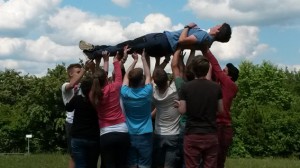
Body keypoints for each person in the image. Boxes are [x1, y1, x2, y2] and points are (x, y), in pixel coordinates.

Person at [79, 22, 231, 59]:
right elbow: (190, 48)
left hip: (162, 41)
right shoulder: (207, 43)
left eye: (219, 25)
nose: (216, 24)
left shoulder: (204, 36)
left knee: (127, 47)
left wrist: (187, 26)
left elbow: (183, 40)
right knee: (128, 46)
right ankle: (95, 49)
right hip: (164, 46)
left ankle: (95, 52)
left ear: (218, 30)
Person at [175, 55, 223, 168]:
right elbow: (221, 110)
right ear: (207, 69)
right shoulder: (216, 87)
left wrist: (179, 105)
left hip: (192, 133)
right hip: (211, 133)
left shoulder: (186, 87)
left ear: (193, 69)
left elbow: (182, 111)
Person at [89, 51, 130, 168]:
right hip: (122, 131)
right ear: (106, 78)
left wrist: (104, 62)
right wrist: (115, 60)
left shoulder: (92, 95)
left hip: (105, 133)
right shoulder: (114, 88)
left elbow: (97, 82)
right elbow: (118, 76)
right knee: (122, 164)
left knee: (109, 165)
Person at [201, 48, 239, 168]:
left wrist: (205, 50)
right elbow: (213, 73)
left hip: (220, 127)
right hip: (224, 127)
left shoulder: (229, 84)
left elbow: (216, 67)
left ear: (230, 77)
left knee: (213, 158)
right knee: (218, 160)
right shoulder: (227, 86)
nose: (222, 71)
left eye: (225, 71)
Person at [120, 49, 153, 168]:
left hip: (130, 133)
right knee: (145, 164)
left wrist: (134, 61)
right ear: (141, 81)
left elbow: (125, 78)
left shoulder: (125, 92)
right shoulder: (146, 92)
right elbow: (149, 75)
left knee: (132, 164)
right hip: (146, 134)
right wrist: (143, 58)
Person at [65, 74, 100, 168]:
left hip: (78, 136)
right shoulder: (97, 101)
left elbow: (68, 108)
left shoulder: (77, 99)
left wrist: (75, 93)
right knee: (92, 165)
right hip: (93, 137)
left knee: (80, 165)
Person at [151, 61, 181, 168]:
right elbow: (178, 73)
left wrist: (159, 59)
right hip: (173, 134)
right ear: (167, 80)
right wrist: (177, 58)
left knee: (157, 164)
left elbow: (155, 76)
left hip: (158, 133)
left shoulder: (154, 94)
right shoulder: (174, 91)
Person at [61, 63, 86, 168]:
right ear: (71, 74)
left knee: (85, 154)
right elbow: (71, 85)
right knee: (74, 155)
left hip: (83, 123)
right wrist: (85, 69)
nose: (81, 74)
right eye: (78, 72)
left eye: (81, 72)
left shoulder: (83, 86)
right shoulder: (65, 85)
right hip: (71, 123)